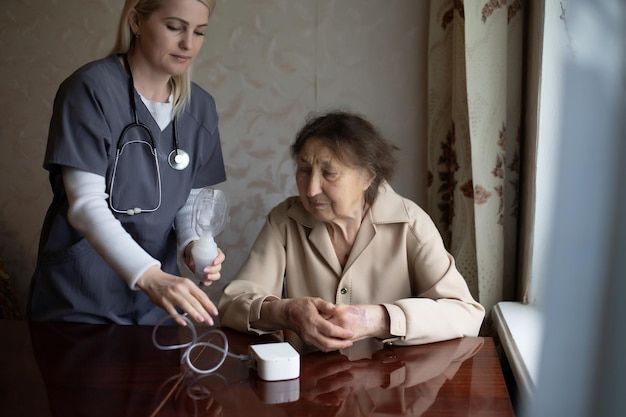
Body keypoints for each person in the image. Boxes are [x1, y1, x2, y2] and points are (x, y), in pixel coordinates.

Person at [27, 0, 225, 327]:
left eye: (199, 32)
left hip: (155, 308)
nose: (188, 43)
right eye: (175, 27)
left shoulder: (200, 107)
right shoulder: (90, 90)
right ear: (136, 21)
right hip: (81, 300)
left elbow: (190, 197)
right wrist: (149, 275)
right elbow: (86, 204)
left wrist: (194, 243)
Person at [218, 111, 485, 352]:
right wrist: (286, 312)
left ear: (369, 176)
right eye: (303, 170)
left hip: (392, 388)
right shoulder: (285, 220)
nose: (311, 189)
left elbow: (466, 313)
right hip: (310, 388)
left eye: (329, 173)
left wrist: (378, 320)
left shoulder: (409, 223)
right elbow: (232, 304)